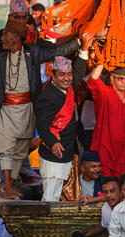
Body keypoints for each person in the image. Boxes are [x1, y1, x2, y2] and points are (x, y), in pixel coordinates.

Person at [0, 15, 87, 199]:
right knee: (5, 148)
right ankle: (6, 186)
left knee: (21, 148)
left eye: (5, 35)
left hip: (27, 107)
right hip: (5, 108)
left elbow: (59, 50)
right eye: (61, 74)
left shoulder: (32, 52)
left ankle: (12, 182)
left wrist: (81, 42)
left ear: (15, 37)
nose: (1, 38)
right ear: (54, 76)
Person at [35, 50, 91, 202]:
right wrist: (53, 143)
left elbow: (79, 70)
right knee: (50, 196)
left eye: (69, 74)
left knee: (56, 191)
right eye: (62, 74)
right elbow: (41, 124)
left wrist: (84, 50)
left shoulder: (68, 87)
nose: (67, 78)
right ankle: (46, 225)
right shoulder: (48, 96)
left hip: (65, 151)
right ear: (53, 75)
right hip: (53, 152)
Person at [87, 64, 125, 177]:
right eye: (120, 78)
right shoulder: (104, 93)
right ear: (112, 78)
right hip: (104, 150)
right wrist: (106, 60)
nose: (124, 82)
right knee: (105, 186)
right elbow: (94, 77)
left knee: (121, 187)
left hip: (123, 152)